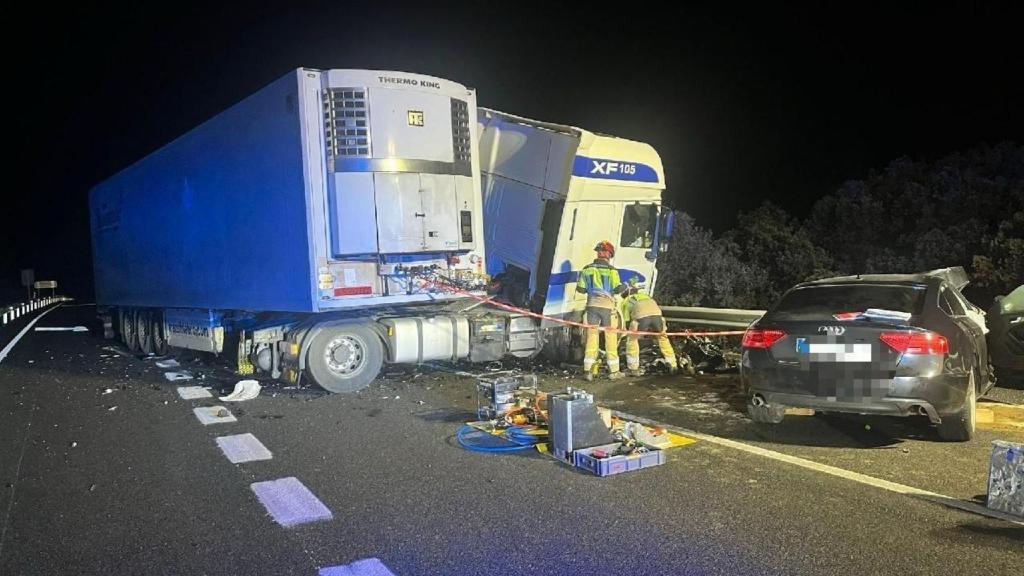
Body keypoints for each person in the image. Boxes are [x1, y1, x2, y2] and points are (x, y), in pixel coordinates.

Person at [576, 241, 628, 381]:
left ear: (598, 253)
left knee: (591, 337)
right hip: (607, 309)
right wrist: (626, 285)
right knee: (610, 338)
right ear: (609, 254)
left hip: (591, 307)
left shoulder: (586, 269)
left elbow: (580, 289)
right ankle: (614, 372)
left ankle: (588, 371)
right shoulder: (612, 271)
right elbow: (617, 289)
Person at [620, 277, 678, 376]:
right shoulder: (646, 296)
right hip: (658, 318)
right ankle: (673, 364)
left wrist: (627, 332)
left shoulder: (626, 301)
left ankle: (633, 368)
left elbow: (627, 320)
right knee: (663, 338)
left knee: (632, 340)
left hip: (641, 319)